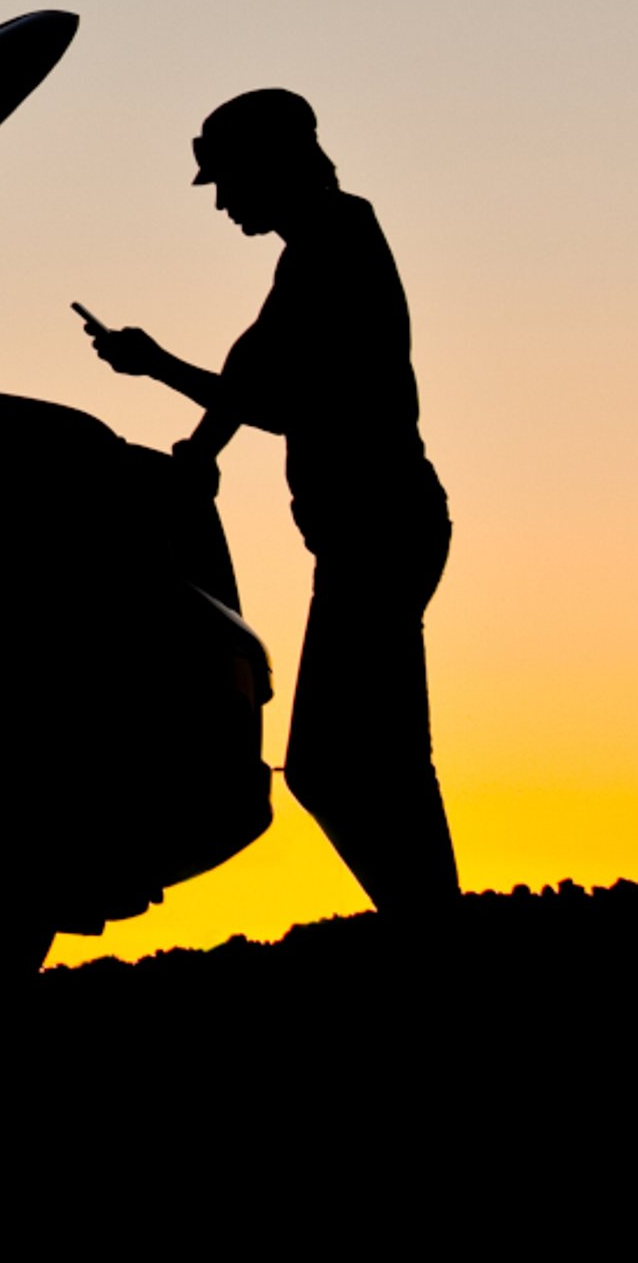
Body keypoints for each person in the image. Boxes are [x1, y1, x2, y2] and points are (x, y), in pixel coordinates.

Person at [82, 89, 460, 919]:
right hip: (374, 532)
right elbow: (255, 367)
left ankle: (436, 922)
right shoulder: (319, 244)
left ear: (270, 164)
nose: (220, 202)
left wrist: (158, 369)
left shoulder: (335, 240)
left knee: (341, 763)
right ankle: (435, 919)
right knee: (371, 757)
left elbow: (285, 399)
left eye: (226, 181)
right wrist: (201, 450)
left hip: (380, 530)